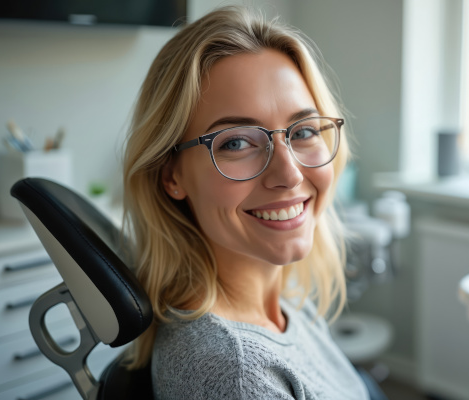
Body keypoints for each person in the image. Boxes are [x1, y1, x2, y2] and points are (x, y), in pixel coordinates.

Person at [121, 5, 372, 400]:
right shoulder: (236, 374)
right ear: (172, 176)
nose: (289, 174)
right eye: (236, 142)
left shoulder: (284, 300)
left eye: (304, 130)